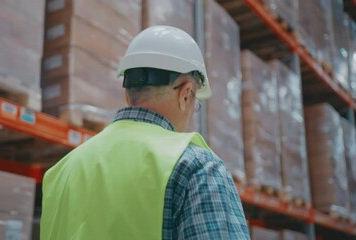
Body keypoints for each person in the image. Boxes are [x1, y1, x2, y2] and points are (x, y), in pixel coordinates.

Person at [41, 25, 250, 240]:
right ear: (185, 94)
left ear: (127, 96)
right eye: (195, 101)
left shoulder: (61, 172)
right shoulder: (197, 168)